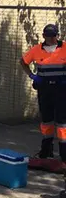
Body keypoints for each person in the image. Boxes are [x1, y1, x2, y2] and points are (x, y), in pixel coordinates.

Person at [20, 24, 65, 160]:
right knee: (46, 120)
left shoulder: (64, 48)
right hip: (44, 89)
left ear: (57, 35)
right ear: (44, 36)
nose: (51, 39)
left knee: (62, 121)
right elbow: (23, 62)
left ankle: (64, 154)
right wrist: (33, 76)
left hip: (62, 89)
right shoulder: (36, 50)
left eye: (53, 36)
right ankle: (46, 150)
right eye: (48, 36)